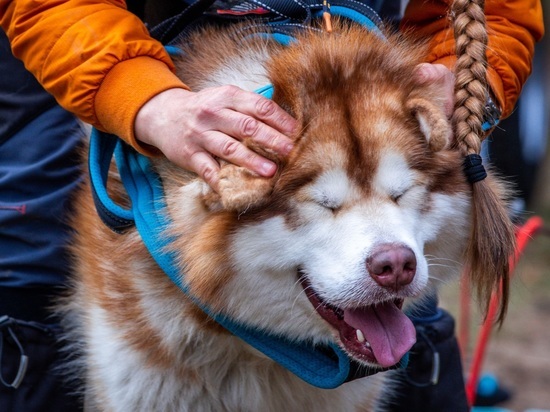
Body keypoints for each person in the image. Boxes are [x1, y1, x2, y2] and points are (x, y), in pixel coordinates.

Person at [0, 1, 543, 411]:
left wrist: (470, 77)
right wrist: (146, 101)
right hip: (111, 76)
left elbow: (492, 11)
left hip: (359, 91)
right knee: (34, 261)